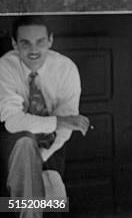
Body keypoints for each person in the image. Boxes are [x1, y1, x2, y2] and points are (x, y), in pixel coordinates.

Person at [0, 16, 89, 213]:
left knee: (53, 200)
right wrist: (60, 121)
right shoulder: (4, 67)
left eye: (40, 42)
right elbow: (13, 122)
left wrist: (38, 159)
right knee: (24, 142)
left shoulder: (65, 68)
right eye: (25, 43)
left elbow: (65, 130)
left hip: (51, 146)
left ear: (50, 40)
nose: (34, 50)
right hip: (12, 145)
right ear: (14, 43)